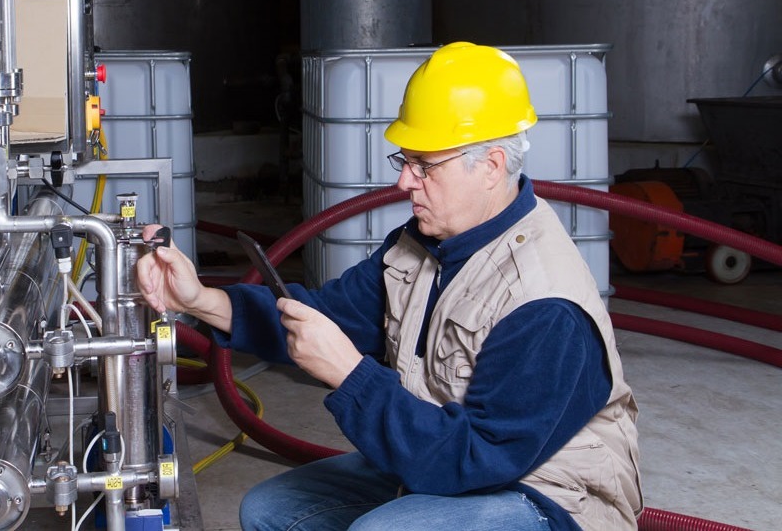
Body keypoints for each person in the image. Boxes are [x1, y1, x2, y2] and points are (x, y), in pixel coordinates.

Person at [136, 42, 642, 531]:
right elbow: (326, 314)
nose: (405, 183)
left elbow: (474, 459)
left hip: (545, 494)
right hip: (446, 451)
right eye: (405, 161)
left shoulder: (544, 304)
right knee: (272, 509)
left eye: (426, 166)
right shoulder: (423, 245)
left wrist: (349, 373)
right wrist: (200, 299)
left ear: (489, 167)